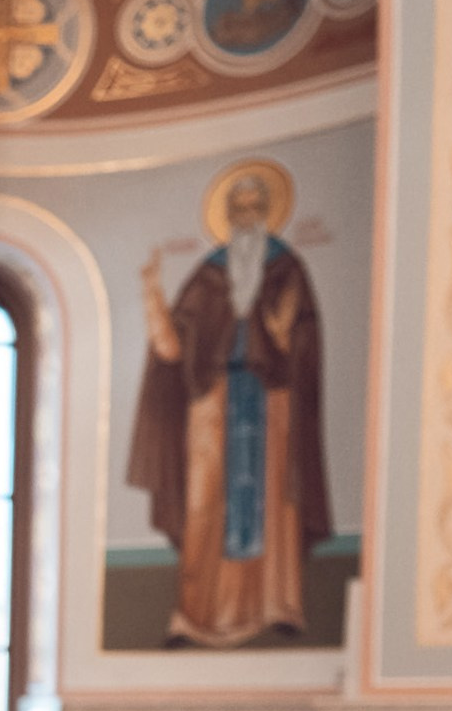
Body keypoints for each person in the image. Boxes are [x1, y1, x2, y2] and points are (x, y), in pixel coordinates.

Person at [127, 168, 332, 649]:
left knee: (274, 500)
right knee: (204, 502)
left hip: (272, 399)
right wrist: (152, 293)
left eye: (254, 207)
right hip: (212, 401)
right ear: (226, 215)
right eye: (236, 208)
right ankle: (194, 617)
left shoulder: (288, 268)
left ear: (266, 212)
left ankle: (278, 606)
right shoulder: (209, 274)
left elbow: (306, 337)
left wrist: (285, 339)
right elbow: (173, 348)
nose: (245, 216)